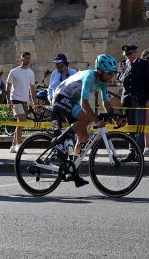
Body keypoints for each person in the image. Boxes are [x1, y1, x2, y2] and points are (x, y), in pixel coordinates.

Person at [50, 54, 122, 186]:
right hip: (60, 98)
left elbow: (106, 103)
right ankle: (59, 140)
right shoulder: (89, 76)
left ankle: (72, 170)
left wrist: (116, 118)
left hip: (71, 101)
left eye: (114, 72)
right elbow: (84, 103)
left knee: (83, 137)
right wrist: (96, 121)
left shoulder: (103, 82)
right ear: (99, 71)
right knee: (87, 118)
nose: (111, 76)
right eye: (109, 73)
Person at [118, 44, 149, 158]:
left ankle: (139, 152)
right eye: (126, 54)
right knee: (130, 127)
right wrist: (122, 72)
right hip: (127, 100)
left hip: (139, 99)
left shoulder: (143, 64)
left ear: (135, 53)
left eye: (129, 54)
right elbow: (119, 81)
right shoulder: (124, 64)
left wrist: (148, 99)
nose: (127, 56)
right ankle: (131, 152)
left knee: (139, 127)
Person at [7, 51, 37, 152]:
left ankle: (13, 145)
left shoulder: (31, 73)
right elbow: (8, 86)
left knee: (20, 122)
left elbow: (32, 88)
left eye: (29, 58)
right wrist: (8, 101)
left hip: (25, 100)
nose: (28, 60)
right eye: (26, 58)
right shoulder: (14, 71)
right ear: (21, 59)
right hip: (15, 99)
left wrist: (35, 103)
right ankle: (18, 145)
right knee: (22, 120)